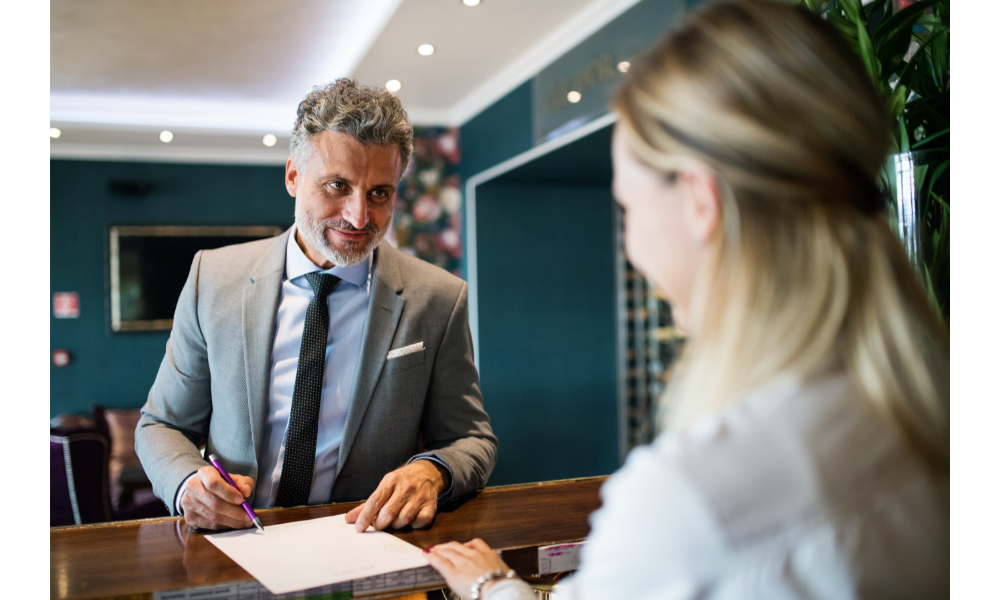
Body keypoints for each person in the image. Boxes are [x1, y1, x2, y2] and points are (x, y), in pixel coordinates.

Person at [424, 1, 949, 598]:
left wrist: (492, 586)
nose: (632, 247)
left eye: (629, 208)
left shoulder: (690, 504)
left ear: (701, 204)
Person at [135, 79, 498, 532]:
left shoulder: (439, 298)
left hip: (365, 550)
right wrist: (186, 482)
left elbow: (471, 439)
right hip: (236, 545)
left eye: (379, 193)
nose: (358, 216)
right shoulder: (214, 279)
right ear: (293, 177)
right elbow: (161, 425)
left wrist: (433, 471)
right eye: (337, 186)